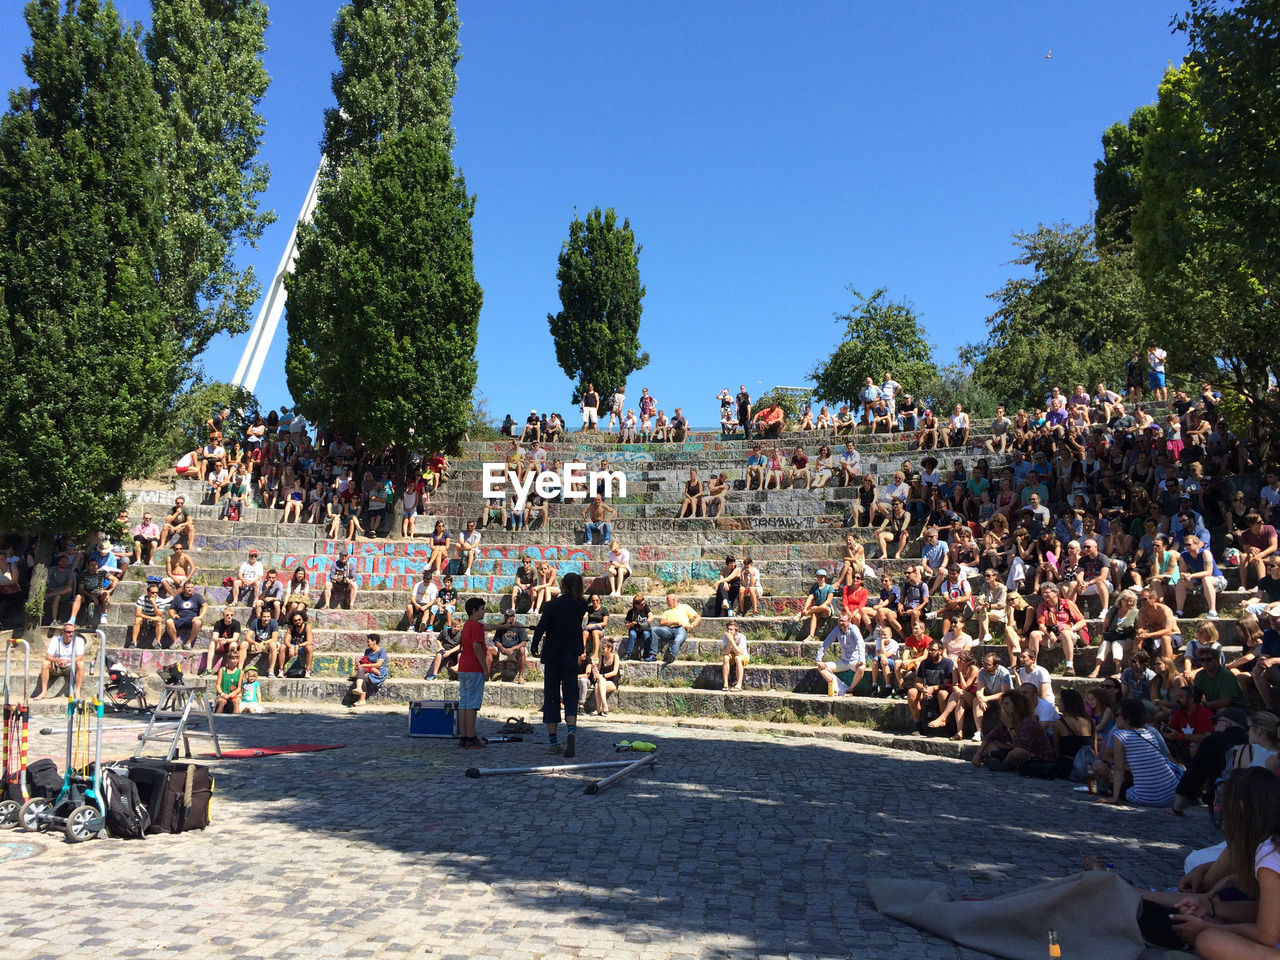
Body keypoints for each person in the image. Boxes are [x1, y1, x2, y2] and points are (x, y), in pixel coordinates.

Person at [531, 573, 590, 757]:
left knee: (552, 695)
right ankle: (571, 730)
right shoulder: (582, 605)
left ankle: (554, 741)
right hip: (571, 654)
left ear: (563, 585)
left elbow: (542, 626)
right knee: (571, 694)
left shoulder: (552, 605)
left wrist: (534, 645)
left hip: (552, 655)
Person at [1096, 698, 1181, 806]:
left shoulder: (1120, 736)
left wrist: (1114, 797)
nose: (1115, 718)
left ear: (1127, 718)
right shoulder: (1149, 733)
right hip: (1172, 795)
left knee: (1115, 786)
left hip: (1148, 798)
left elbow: (1119, 768)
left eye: (1117, 715)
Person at [1027, 582, 1087, 676]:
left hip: (1068, 635)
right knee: (1034, 634)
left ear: (1055, 593)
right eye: (1043, 593)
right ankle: (1033, 665)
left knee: (1065, 633)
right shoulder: (1042, 607)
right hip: (1051, 635)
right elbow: (1041, 625)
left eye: (1047, 592)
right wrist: (1049, 633)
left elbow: (1082, 621)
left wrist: (1072, 629)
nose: (1044, 595)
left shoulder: (1067, 603)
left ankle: (1069, 666)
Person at [907, 641, 955, 735]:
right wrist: (923, 689)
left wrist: (933, 688)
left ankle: (945, 725)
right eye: (929, 649)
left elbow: (947, 684)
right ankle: (918, 724)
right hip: (926, 691)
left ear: (940, 651)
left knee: (943, 693)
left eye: (933, 650)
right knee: (912, 692)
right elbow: (917, 682)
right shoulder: (924, 663)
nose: (930, 652)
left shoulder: (948, 663)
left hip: (941, 691)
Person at [816, 612, 866, 697]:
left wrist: (861, 660)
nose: (841, 623)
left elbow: (860, 643)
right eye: (839, 620)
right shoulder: (837, 629)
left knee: (861, 668)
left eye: (843, 621)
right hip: (844, 661)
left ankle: (850, 689)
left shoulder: (854, 629)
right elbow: (826, 643)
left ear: (849, 621)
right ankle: (841, 689)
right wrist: (819, 659)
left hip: (854, 661)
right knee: (821, 667)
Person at [1177, 534, 1227, 619]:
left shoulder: (1205, 553)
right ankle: (1179, 612)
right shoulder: (1183, 555)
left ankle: (1213, 612)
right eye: (1184, 545)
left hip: (1216, 580)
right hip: (1199, 583)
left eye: (1189, 544)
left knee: (1206, 579)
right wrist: (1185, 575)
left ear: (1196, 544)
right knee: (1181, 581)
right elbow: (1182, 572)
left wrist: (1191, 575)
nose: (1186, 547)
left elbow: (1208, 572)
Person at [33, 624, 86, 700]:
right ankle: (43, 692)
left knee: (81, 664)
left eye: (72, 632)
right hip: (57, 666)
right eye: (68, 632)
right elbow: (48, 656)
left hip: (71, 667)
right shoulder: (56, 639)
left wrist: (67, 660)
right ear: (63, 632)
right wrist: (57, 660)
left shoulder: (79, 640)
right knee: (45, 663)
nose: (71, 634)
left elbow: (80, 657)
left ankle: (77, 692)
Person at [653, 593, 701, 664]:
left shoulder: (685, 607)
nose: (667, 603)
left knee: (677, 640)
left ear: (674, 600)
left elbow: (698, 617)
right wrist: (675, 622)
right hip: (668, 630)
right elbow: (662, 622)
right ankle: (652, 653)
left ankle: (672, 655)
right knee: (653, 629)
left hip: (681, 629)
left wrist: (692, 625)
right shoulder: (667, 612)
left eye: (668, 600)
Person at [164, 580, 206, 650]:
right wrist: (173, 615)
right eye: (188, 587)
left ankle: (188, 643)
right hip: (180, 619)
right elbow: (171, 609)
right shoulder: (178, 597)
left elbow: (205, 605)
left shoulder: (197, 596)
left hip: (192, 619)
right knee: (169, 621)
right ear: (184, 588)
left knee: (198, 622)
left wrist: (200, 617)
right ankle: (175, 642)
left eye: (192, 587)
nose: (190, 589)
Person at [797, 569, 835, 641]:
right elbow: (810, 598)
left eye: (822, 577)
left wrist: (820, 607)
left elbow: (829, 600)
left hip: (826, 609)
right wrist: (805, 608)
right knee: (814, 615)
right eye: (818, 576)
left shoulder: (829, 587)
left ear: (825, 578)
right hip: (816, 610)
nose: (820, 578)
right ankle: (811, 635)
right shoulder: (814, 588)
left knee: (822, 607)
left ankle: (802, 614)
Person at [129, 581, 169, 649]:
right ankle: (134, 642)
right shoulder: (142, 599)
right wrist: (151, 618)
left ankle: (158, 643)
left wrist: (154, 604)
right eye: (153, 592)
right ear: (148, 593)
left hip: (154, 619)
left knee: (159, 621)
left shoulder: (161, 601)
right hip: (144, 618)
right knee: (137, 620)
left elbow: (159, 614)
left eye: (156, 592)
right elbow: (138, 613)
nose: (155, 594)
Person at [491, 611, 529, 683]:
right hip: (502, 651)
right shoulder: (501, 626)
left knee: (522, 650)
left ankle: (520, 677)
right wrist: (502, 648)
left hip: (515, 651)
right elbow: (496, 641)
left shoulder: (519, 626)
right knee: (489, 649)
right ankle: (486, 675)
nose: (508, 618)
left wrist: (512, 648)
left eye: (510, 616)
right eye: (506, 616)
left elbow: (524, 642)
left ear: (513, 617)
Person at [279, 610, 314, 679]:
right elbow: (286, 640)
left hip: (302, 647)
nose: (298, 622)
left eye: (299, 619)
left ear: (302, 619)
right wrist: (291, 647)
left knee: (309, 648)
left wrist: (298, 646)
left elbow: (309, 641)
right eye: (295, 620)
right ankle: (281, 670)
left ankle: (308, 670)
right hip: (292, 645)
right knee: (282, 647)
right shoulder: (291, 627)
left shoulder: (307, 626)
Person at [625, 594, 652, 661]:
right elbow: (627, 626)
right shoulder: (631, 612)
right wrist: (632, 623)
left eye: (644, 603)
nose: (643, 605)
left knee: (646, 634)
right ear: (636, 605)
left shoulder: (645, 607)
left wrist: (646, 622)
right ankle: (628, 654)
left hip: (644, 629)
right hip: (634, 629)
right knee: (632, 634)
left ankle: (646, 654)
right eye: (641, 604)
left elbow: (651, 616)